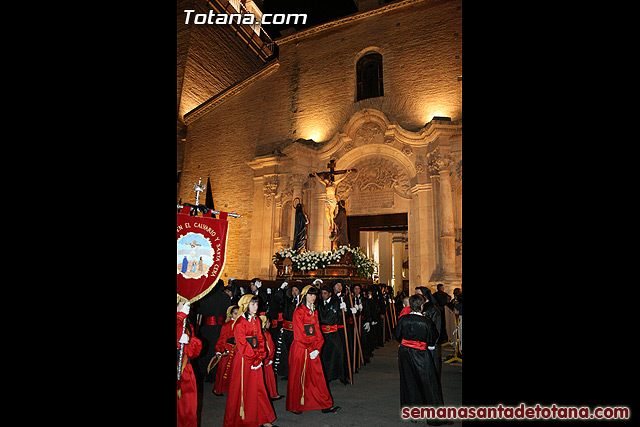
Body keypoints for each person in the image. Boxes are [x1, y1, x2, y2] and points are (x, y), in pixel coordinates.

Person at [223, 294, 277, 427]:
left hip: (256, 359)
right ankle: (244, 418)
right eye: (253, 304)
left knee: (259, 388)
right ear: (245, 305)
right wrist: (253, 359)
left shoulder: (257, 320)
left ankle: (262, 418)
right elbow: (242, 345)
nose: (256, 307)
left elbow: (260, 339)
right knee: (244, 389)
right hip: (244, 361)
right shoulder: (240, 323)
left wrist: (260, 356)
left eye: (257, 304)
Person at [286, 285, 341, 415]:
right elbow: (299, 335)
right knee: (299, 377)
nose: (313, 297)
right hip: (301, 349)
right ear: (305, 296)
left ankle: (325, 403)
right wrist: (311, 348)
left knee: (318, 377)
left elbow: (317, 332)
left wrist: (317, 347)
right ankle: (296, 405)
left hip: (313, 348)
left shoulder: (314, 311)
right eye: (310, 295)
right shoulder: (298, 311)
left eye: (315, 295)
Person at [395, 295, 448, 426]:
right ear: (422, 306)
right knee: (429, 384)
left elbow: (397, 335)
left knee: (408, 381)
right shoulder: (426, 321)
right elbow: (433, 337)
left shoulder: (404, 319)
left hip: (405, 353)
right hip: (420, 353)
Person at [195, 279, 232, 381]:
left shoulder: (206, 297)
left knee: (206, 350)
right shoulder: (225, 298)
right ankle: (215, 372)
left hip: (207, 328)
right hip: (220, 328)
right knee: (217, 349)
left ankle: (204, 372)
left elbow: (200, 310)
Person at [177, 301, 202, 427]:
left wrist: (189, 343)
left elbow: (194, 352)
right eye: (183, 304)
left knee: (187, 407)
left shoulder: (187, 324)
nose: (188, 307)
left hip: (185, 370)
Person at [273, 281, 303, 378]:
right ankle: (287, 372)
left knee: (296, 353)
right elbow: (277, 298)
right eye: (293, 290)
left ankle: (297, 372)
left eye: (296, 290)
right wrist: (281, 289)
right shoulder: (287, 301)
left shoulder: (302, 303)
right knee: (286, 353)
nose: (294, 292)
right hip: (286, 330)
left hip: (296, 331)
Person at [317, 285, 346, 384]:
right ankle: (327, 376)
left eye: (325, 293)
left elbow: (340, 318)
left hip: (333, 333)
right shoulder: (319, 304)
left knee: (338, 353)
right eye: (322, 293)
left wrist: (344, 312)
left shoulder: (336, 303)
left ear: (330, 294)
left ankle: (341, 375)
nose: (323, 295)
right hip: (323, 333)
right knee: (325, 355)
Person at [212, 305, 239, 396]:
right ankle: (218, 389)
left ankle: (232, 389)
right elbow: (222, 339)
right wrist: (219, 349)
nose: (237, 315)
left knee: (234, 371)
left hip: (237, 351)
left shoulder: (240, 324)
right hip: (227, 350)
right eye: (235, 313)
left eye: (238, 313)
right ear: (231, 314)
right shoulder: (227, 325)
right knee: (223, 370)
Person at [259, 315, 283, 400]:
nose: (270, 323)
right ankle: (270, 394)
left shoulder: (267, 333)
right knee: (268, 378)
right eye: (268, 322)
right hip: (267, 360)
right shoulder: (264, 335)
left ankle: (272, 393)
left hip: (269, 359)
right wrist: (269, 358)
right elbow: (268, 348)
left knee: (270, 378)